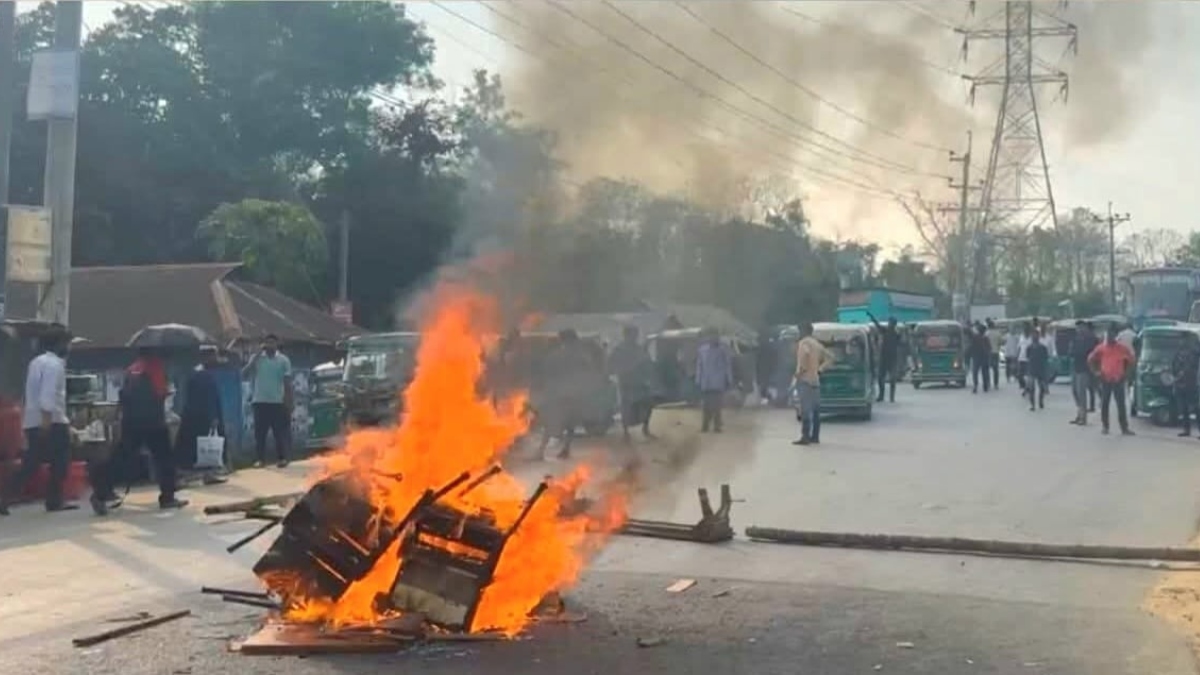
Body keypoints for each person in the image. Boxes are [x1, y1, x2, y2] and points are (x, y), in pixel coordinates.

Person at [98, 346, 188, 513]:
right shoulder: (155, 368)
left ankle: (100, 492)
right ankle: (168, 497)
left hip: (131, 422)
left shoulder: (132, 369)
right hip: (153, 422)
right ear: (154, 352)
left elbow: (123, 396)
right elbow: (161, 394)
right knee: (165, 459)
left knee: (121, 457)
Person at [0, 327, 77, 515]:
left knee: (30, 463)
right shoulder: (55, 365)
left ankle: (4, 498)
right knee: (60, 461)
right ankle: (54, 500)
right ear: (59, 344)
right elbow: (47, 395)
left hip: (33, 421)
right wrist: (47, 421)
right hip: (52, 420)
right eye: (68, 343)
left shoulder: (35, 362)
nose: (69, 348)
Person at [175, 345, 228, 485]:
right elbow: (208, 398)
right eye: (214, 356)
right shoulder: (203, 375)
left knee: (203, 448)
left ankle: (207, 474)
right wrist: (213, 417)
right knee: (202, 447)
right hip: (201, 418)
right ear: (206, 357)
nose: (216, 360)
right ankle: (189, 476)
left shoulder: (198, 372)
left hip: (194, 417)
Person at [538, 329, 591, 459]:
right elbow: (587, 374)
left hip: (559, 394)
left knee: (551, 423)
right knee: (569, 424)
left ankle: (541, 451)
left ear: (562, 340)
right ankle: (565, 449)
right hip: (573, 394)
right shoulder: (581, 357)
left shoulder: (556, 356)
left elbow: (547, 374)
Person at [243, 334, 293, 468]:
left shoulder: (283, 360)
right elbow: (244, 374)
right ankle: (260, 459)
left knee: (279, 432)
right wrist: (255, 357)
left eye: (272, 343)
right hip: (259, 401)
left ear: (277, 344)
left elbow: (287, 382)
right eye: (267, 343)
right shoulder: (257, 359)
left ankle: (282, 458)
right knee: (260, 433)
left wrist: (289, 401)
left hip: (277, 401)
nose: (270, 345)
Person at [609, 325, 658, 443]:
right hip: (627, 383)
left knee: (647, 404)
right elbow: (610, 365)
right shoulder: (619, 350)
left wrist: (649, 376)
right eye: (633, 335)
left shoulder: (638, 349)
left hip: (639, 383)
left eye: (635, 335)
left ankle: (644, 429)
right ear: (627, 335)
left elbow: (647, 364)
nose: (634, 337)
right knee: (626, 408)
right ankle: (627, 433)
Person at [1088, 326, 1137, 436]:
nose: (1109, 337)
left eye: (1112, 334)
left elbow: (1132, 361)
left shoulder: (1122, 348)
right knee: (1105, 403)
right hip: (1105, 379)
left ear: (1115, 336)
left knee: (1121, 405)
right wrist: (1096, 372)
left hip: (1118, 379)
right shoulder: (1101, 348)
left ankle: (1124, 428)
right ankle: (1105, 426)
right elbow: (1090, 359)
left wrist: (1126, 374)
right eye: (1108, 334)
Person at [791, 322, 834, 446]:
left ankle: (805, 437)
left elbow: (804, 356)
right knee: (816, 410)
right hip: (815, 380)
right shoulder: (817, 344)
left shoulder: (803, 343)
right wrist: (820, 369)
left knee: (805, 409)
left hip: (805, 380)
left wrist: (799, 372)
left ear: (802, 331)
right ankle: (815, 436)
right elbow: (831, 357)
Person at [695, 327, 734, 433]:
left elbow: (727, 365)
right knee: (706, 405)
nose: (713, 338)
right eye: (711, 336)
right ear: (708, 337)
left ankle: (717, 426)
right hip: (706, 382)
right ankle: (705, 426)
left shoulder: (723, 350)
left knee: (717, 405)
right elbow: (699, 366)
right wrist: (698, 380)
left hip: (718, 382)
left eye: (715, 336)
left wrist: (729, 379)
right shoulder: (702, 350)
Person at [865, 312, 899, 403]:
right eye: (889, 322)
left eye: (890, 323)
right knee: (880, 378)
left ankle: (891, 397)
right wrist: (872, 317)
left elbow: (902, 343)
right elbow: (877, 325)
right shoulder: (885, 331)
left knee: (892, 379)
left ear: (893, 324)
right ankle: (881, 395)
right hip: (884, 358)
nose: (889, 324)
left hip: (892, 359)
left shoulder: (896, 334)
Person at [1069, 320, 1099, 426]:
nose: (1079, 329)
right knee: (1075, 391)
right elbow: (1071, 352)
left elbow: (1090, 353)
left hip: (1085, 368)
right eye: (1078, 327)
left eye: (1081, 327)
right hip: (1075, 367)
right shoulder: (1075, 339)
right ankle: (1080, 412)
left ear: (1085, 328)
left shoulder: (1091, 339)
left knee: (1081, 392)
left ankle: (1083, 417)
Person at [1172, 332, 1200, 437]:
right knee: (1183, 409)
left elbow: (1192, 366)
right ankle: (1186, 430)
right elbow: (1174, 365)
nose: (1181, 342)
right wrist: (1175, 376)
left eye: (1184, 339)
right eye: (1181, 340)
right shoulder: (1179, 352)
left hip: (1191, 384)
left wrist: (1182, 373)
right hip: (1180, 384)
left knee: (1196, 408)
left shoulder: (1194, 352)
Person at [1025, 331, 1050, 411]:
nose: (1034, 337)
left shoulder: (1043, 348)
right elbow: (1028, 357)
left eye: (1036, 336)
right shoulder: (1029, 347)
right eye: (1033, 336)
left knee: (1042, 388)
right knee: (1031, 388)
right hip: (1032, 369)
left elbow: (1046, 358)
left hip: (1040, 369)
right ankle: (1032, 405)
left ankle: (1040, 401)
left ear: (1038, 337)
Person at [969, 323, 991, 394]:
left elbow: (971, 346)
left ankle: (976, 385)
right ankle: (985, 386)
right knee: (984, 372)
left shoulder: (975, 337)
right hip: (984, 357)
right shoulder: (985, 338)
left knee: (975, 372)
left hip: (976, 357)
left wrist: (971, 354)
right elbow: (989, 348)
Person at [1016, 323, 1033, 396]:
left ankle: (1027, 389)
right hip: (1021, 358)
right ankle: (1026, 387)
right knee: (1020, 375)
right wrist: (1017, 357)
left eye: (1027, 329)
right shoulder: (1021, 336)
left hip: (1029, 359)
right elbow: (1019, 347)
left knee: (1029, 376)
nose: (1025, 330)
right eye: (1024, 329)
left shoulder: (1032, 337)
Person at [985, 319, 1003, 389]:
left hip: (988, 353)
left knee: (987, 368)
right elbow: (1001, 342)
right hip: (996, 352)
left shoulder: (986, 333)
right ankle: (996, 384)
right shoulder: (998, 333)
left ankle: (988, 383)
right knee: (995, 369)